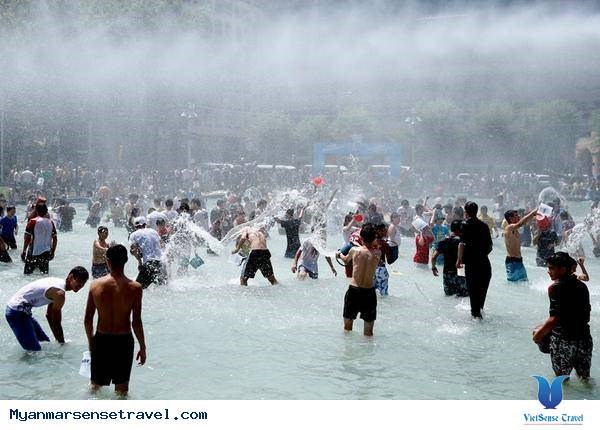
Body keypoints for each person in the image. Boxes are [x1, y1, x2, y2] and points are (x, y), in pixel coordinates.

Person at [84, 245, 146, 395]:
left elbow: (87, 320)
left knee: (95, 386)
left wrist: (92, 343)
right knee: (122, 389)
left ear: (107, 261)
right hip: (123, 341)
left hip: (102, 339)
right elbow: (136, 322)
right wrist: (143, 347)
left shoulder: (95, 285)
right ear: (126, 260)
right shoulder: (135, 288)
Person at [533, 252, 592, 380]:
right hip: (584, 339)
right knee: (585, 379)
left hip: (563, 341)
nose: (548, 271)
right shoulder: (582, 286)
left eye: (551, 268)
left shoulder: (555, 288)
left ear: (563, 269)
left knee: (561, 380)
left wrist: (538, 335)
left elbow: (555, 319)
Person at [5, 267, 89, 351]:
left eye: (83, 283)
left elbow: (49, 315)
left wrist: (58, 341)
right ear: (70, 277)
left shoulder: (58, 284)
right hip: (16, 312)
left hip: (23, 311)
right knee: (34, 352)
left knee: (45, 343)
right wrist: (62, 344)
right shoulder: (59, 293)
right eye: (79, 281)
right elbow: (56, 322)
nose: (81, 285)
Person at [336, 223, 381, 336]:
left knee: (347, 328)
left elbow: (346, 260)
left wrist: (339, 254)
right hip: (369, 292)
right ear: (374, 238)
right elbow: (373, 246)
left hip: (354, 291)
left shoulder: (354, 251)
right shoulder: (377, 253)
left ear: (361, 237)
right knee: (369, 333)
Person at [457, 201, 493, 319]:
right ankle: (480, 321)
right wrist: (481, 254)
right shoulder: (484, 226)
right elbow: (490, 247)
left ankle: (477, 324)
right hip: (485, 264)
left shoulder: (465, 224)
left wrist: (459, 260)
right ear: (477, 211)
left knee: (474, 297)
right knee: (481, 298)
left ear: (466, 212)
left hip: (472, 265)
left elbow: (462, 243)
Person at [431, 220, 468, 297]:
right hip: (460, 272)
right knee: (462, 297)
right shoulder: (463, 242)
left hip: (447, 273)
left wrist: (433, 268)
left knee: (449, 296)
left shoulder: (444, 241)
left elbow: (434, 257)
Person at [129, 217, 167, 289]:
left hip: (149, 264)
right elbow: (162, 245)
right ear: (145, 224)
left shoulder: (133, 235)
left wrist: (140, 263)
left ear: (135, 226)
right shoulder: (153, 231)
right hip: (161, 263)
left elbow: (133, 250)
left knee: (136, 289)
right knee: (164, 288)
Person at [21, 203, 57, 275]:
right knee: (44, 275)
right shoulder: (51, 222)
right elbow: (55, 239)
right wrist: (52, 252)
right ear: (46, 211)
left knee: (27, 274)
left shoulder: (32, 221)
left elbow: (27, 238)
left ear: (36, 211)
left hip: (34, 251)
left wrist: (24, 251)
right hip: (46, 252)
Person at [503, 209, 537, 282]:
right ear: (510, 218)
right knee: (513, 285)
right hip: (512, 262)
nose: (518, 216)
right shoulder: (509, 228)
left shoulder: (515, 229)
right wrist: (533, 213)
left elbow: (525, 222)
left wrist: (535, 215)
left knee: (524, 282)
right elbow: (520, 223)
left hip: (519, 261)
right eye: (516, 215)